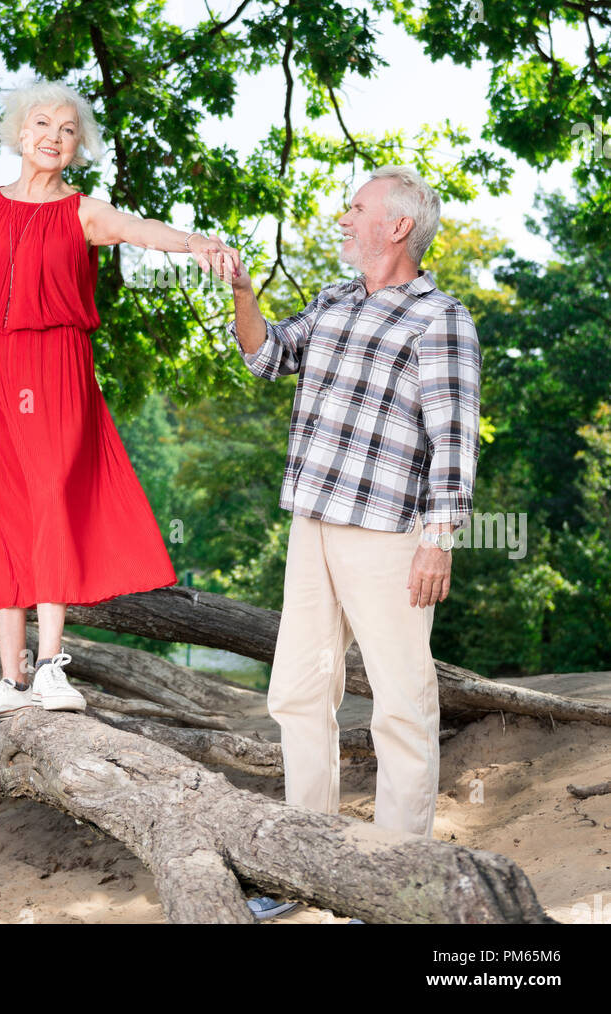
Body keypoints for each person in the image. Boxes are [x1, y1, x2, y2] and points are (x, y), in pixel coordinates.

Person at [0, 78, 236, 726]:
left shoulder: (84, 211)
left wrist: (203, 246)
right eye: (42, 125)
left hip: (53, 365)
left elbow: (143, 231)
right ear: (19, 133)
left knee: (51, 496)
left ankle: (52, 665)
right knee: (6, 518)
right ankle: (10, 676)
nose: (53, 137)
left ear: (77, 146)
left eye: (67, 130)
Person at [227, 165, 481, 921]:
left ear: (397, 226)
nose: (343, 216)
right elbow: (267, 354)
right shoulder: (335, 300)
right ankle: (305, 867)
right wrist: (243, 295)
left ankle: (399, 878)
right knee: (299, 695)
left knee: (401, 702)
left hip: (389, 535)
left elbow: (455, 442)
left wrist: (439, 541)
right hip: (313, 522)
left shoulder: (441, 319)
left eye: (357, 207)